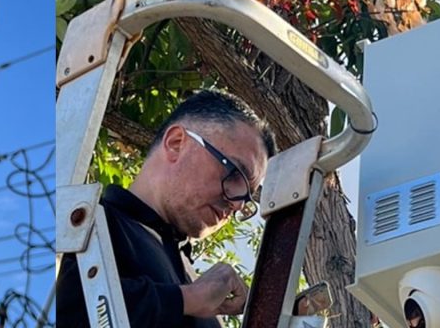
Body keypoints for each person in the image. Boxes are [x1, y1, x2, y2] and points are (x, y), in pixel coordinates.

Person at [56, 89, 277, 327]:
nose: (236, 204)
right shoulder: (82, 224)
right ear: (176, 143)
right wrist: (187, 299)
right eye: (235, 174)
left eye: (246, 197)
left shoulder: (191, 276)